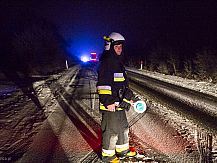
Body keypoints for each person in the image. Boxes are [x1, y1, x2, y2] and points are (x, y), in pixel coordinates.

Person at [97, 32, 138, 162]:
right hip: (111, 105)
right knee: (111, 130)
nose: (119, 49)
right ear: (109, 47)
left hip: (120, 103)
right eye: (116, 46)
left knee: (123, 128)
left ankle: (122, 151)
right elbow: (103, 85)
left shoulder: (118, 63)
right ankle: (108, 156)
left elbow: (122, 84)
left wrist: (129, 96)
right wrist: (108, 102)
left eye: (121, 46)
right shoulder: (107, 63)